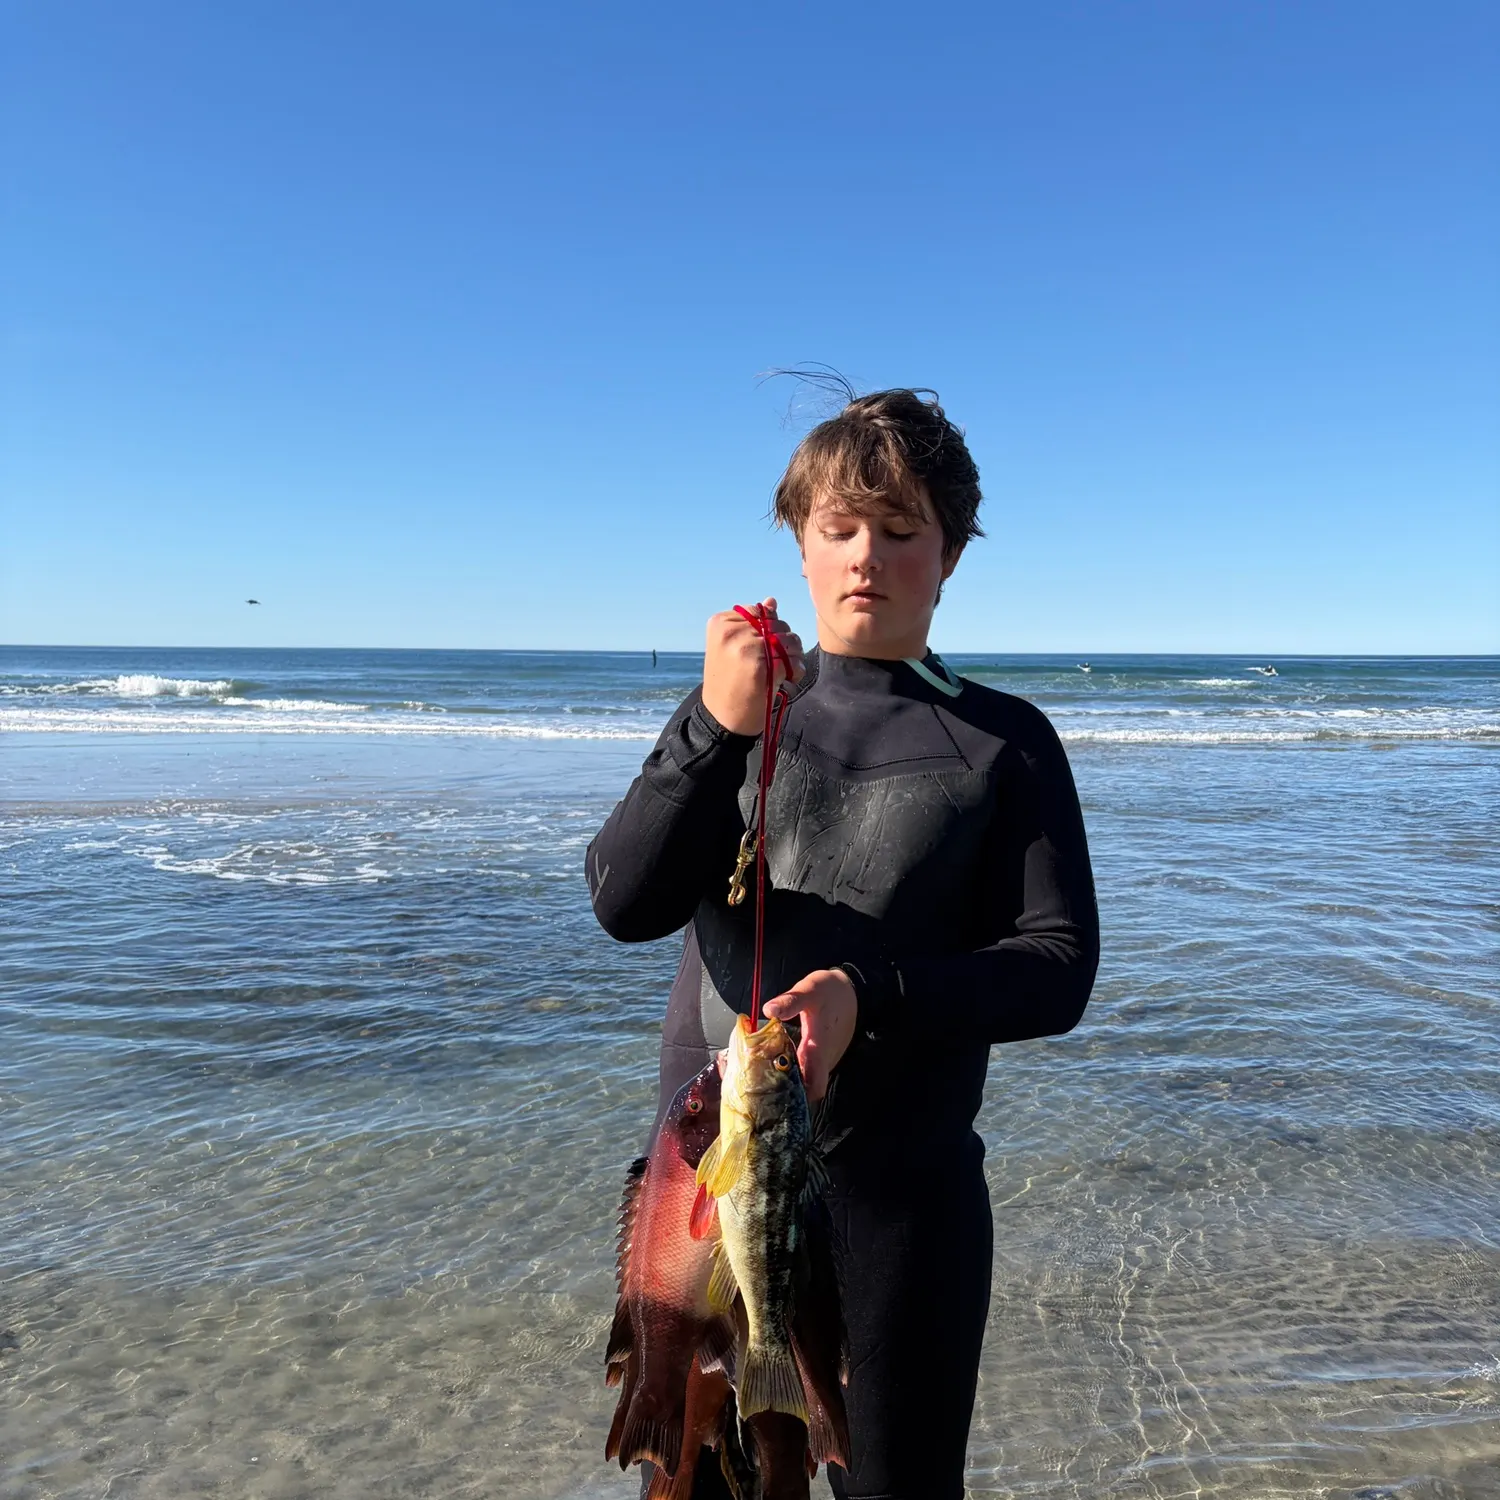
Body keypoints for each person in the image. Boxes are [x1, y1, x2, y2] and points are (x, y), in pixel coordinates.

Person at [587, 385, 1099, 1499]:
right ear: (800, 541)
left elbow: (1058, 968)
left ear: (952, 554)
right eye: (840, 528)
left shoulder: (1004, 744)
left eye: (903, 531)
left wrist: (875, 995)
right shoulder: (739, 710)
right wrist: (713, 728)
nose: (868, 556)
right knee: (702, 1488)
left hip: (901, 1207)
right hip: (709, 1187)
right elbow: (624, 901)